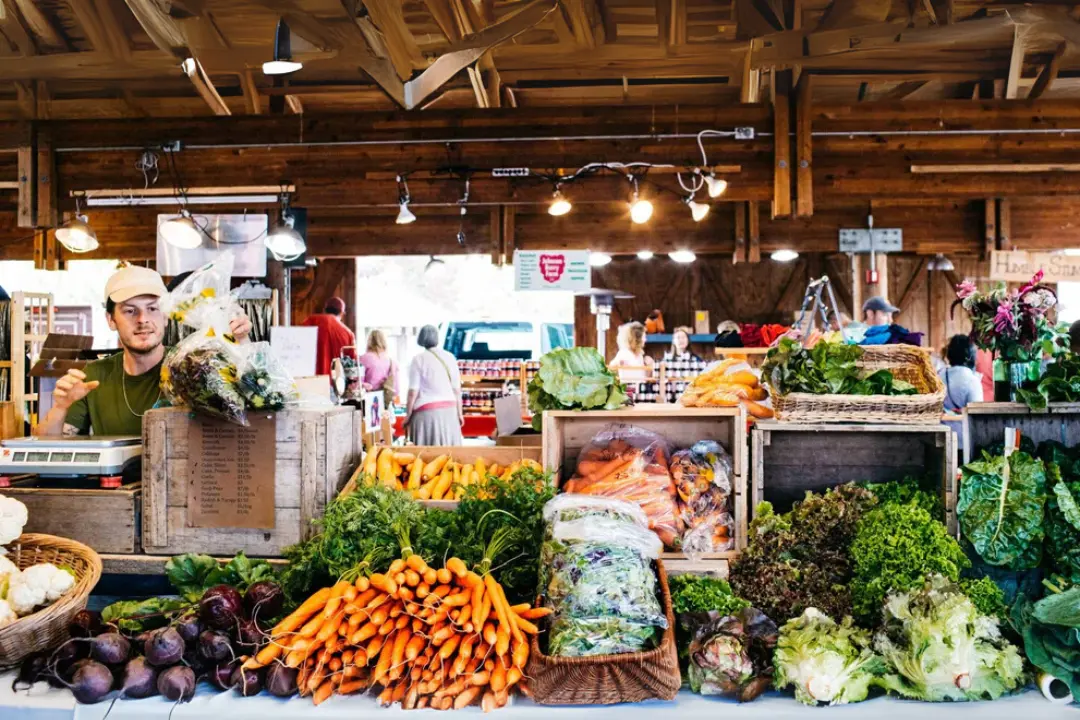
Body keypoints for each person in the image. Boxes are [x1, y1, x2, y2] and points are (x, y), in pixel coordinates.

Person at [36, 265, 252, 437]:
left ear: (166, 315)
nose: (143, 320)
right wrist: (61, 407)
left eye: (152, 308)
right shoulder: (93, 377)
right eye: (130, 311)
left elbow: (249, 409)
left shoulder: (193, 368)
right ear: (111, 320)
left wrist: (240, 345)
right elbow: (48, 446)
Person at [405, 325, 463, 445]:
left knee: (426, 455)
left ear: (421, 338)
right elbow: (457, 390)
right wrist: (459, 413)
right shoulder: (450, 357)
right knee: (450, 453)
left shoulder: (418, 359)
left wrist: (408, 414)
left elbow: (413, 392)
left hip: (426, 413)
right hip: (450, 412)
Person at [302, 296, 356, 376]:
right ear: (342, 313)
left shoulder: (309, 322)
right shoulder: (348, 334)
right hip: (336, 383)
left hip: (309, 379)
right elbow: (352, 366)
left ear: (324, 309)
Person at [940, 334, 984, 413]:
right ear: (970, 355)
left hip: (941, 424)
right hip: (963, 425)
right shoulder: (972, 380)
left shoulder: (939, 375)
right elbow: (977, 413)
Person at [358, 329, 399, 405]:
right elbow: (396, 389)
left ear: (369, 341)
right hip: (385, 400)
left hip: (368, 401)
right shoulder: (391, 361)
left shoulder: (364, 358)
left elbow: (358, 383)